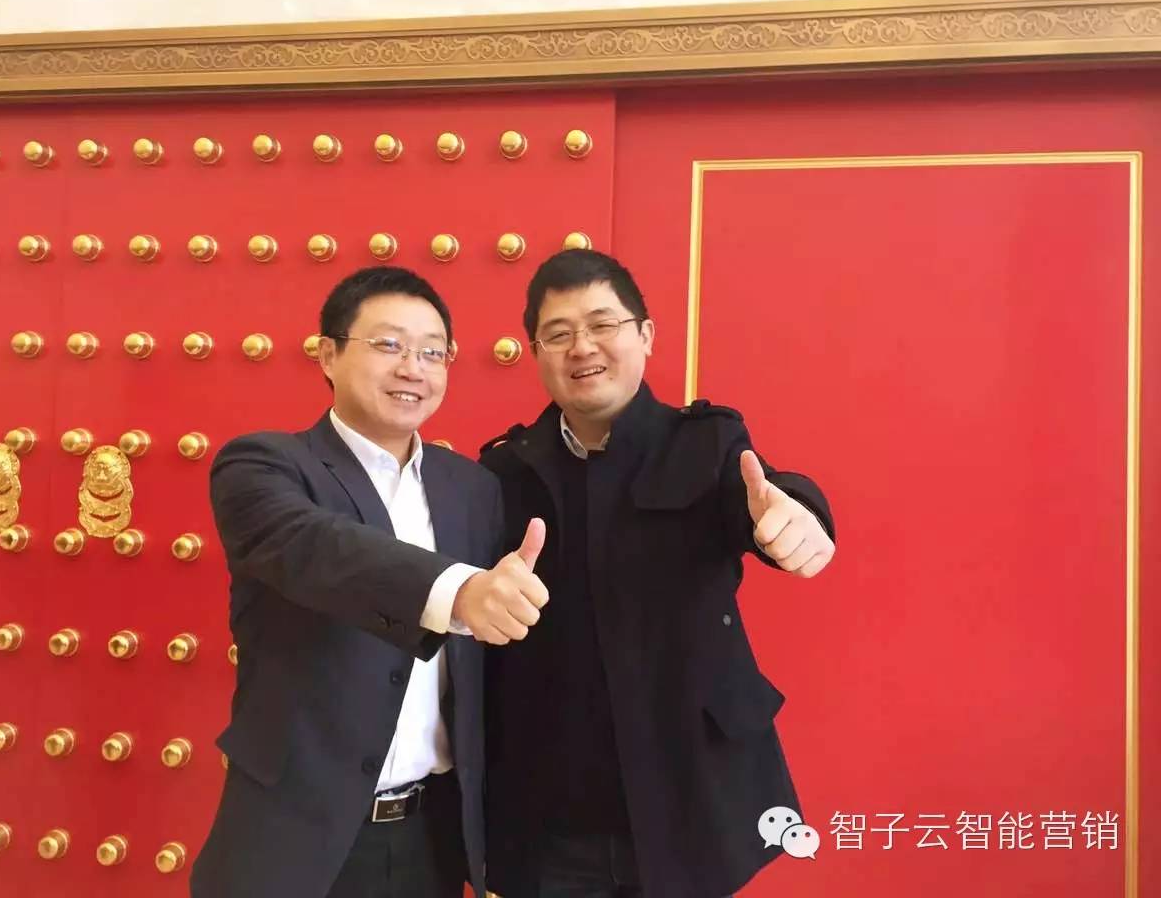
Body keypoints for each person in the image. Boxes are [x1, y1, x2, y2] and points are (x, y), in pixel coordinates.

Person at [479, 250, 837, 898]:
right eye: (558, 333)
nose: (582, 346)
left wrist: (801, 514)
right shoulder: (507, 471)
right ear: (536, 353)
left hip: (689, 803)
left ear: (644, 335)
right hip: (552, 819)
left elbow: (763, 495)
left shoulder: (706, 443)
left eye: (602, 324)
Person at [191, 267, 550, 898]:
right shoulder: (264, 466)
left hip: (430, 839)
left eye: (432, 352)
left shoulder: (472, 488)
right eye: (388, 345)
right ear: (328, 354)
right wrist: (457, 592)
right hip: (295, 839)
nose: (413, 368)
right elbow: (320, 549)